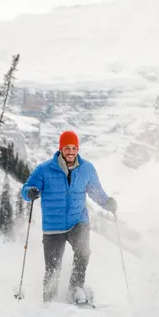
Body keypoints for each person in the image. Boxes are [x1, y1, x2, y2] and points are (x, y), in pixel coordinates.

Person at [21, 130, 117, 305]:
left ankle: (76, 288)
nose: (71, 152)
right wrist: (30, 192)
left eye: (74, 148)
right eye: (67, 148)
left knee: (83, 251)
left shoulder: (86, 168)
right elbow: (27, 188)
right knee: (53, 268)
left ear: (78, 148)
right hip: (53, 226)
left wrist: (107, 202)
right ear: (61, 149)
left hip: (77, 221)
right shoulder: (44, 169)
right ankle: (49, 302)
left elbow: (95, 191)